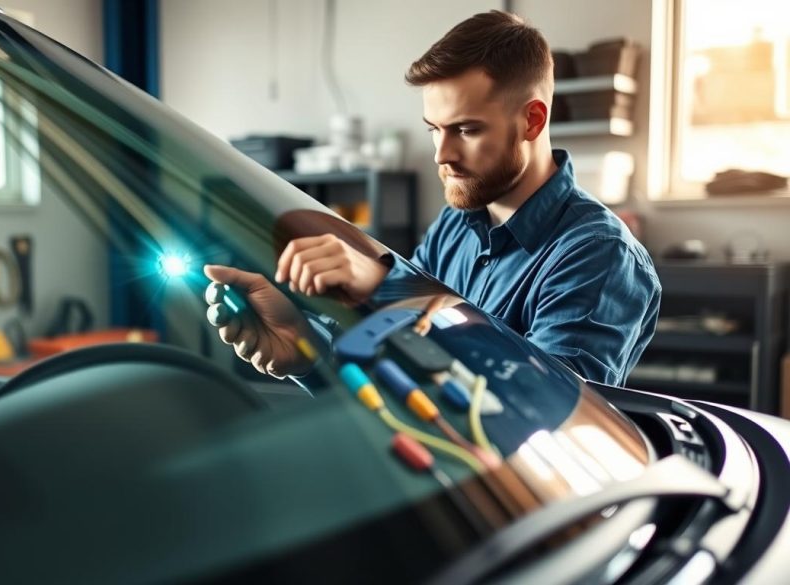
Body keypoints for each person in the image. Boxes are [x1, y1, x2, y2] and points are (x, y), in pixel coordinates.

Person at [205, 10, 660, 386]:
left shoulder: (597, 252)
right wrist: (309, 352)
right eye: (434, 130)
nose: (442, 155)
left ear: (532, 121)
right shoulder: (454, 227)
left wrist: (385, 287)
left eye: (466, 129)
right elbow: (404, 364)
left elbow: (552, 411)